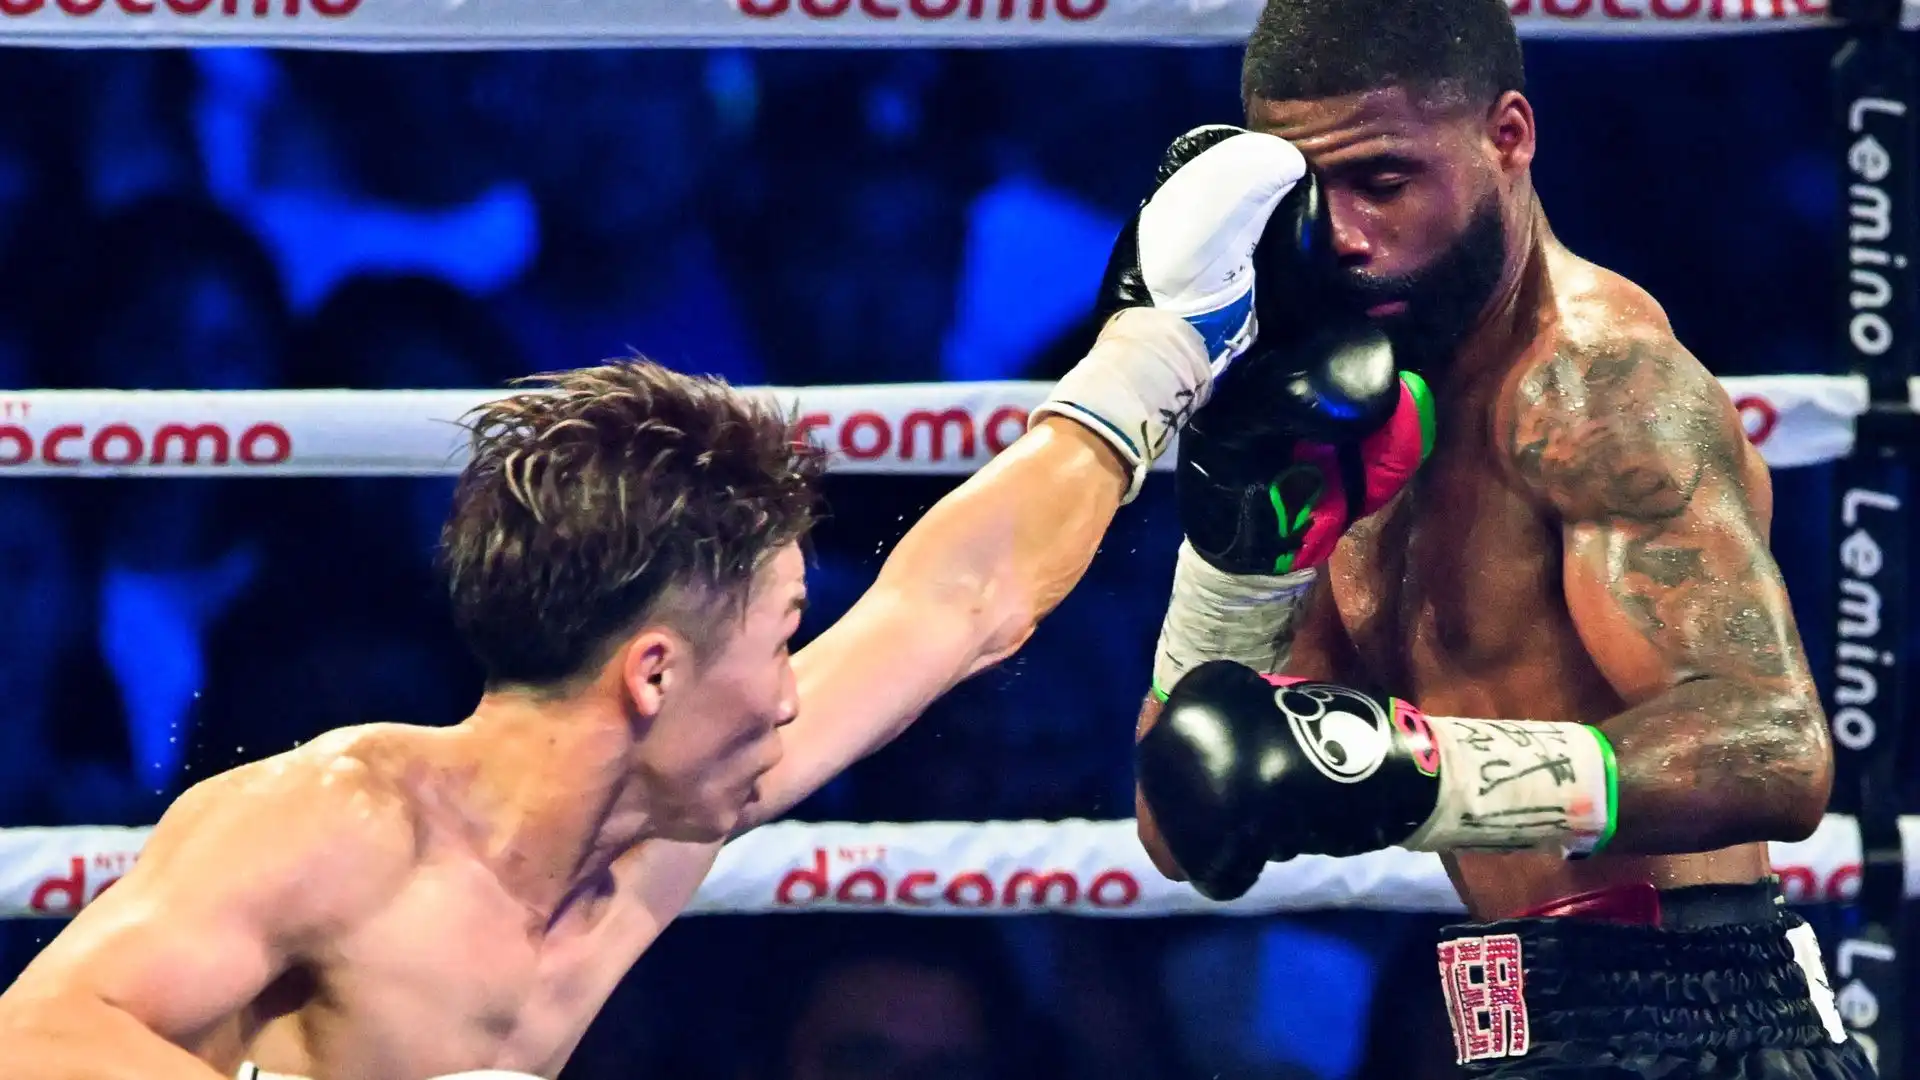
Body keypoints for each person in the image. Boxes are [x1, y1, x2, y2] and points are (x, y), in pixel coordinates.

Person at [0, 128, 1341, 1080]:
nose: (790, 685)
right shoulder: (341, 826)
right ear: (652, 674)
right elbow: (39, 1035)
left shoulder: (667, 820)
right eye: (778, 635)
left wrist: (1152, 352)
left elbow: (963, 597)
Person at [1129, 2, 1872, 1078]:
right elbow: (1190, 822)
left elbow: (1776, 746)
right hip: (1516, 1025)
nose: (1340, 233)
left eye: (1382, 182)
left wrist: (1435, 778)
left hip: (1703, 1025)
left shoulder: (1598, 383)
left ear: (1508, 136)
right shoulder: (1341, 417)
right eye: (1303, 191)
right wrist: (1230, 568)